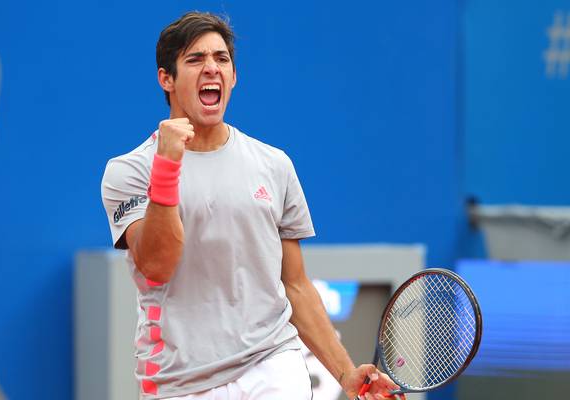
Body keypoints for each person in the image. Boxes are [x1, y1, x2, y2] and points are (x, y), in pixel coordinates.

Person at [101, 11, 398, 400]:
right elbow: (156, 264)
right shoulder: (129, 171)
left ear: (234, 76)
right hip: (181, 381)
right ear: (166, 79)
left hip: (272, 363)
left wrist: (345, 373)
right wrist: (167, 167)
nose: (211, 68)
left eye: (221, 59)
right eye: (195, 59)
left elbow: (295, 284)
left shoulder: (274, 165)